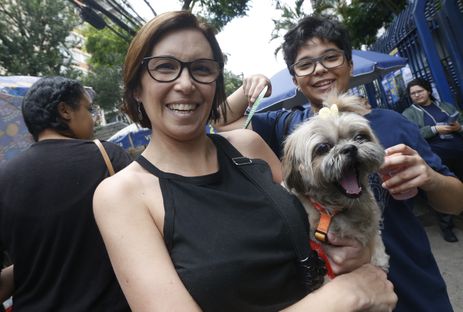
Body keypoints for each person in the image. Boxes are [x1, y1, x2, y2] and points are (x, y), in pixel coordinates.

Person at [92, 11, 397, 312]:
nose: (185, 84)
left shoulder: (248, 146)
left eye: (201, 68)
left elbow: (319, 216)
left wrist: (360, 253)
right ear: (135, 88)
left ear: (215, 83)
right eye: (165, 67)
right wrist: (341, 298)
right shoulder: (122, 196)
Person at [216, 15, 463, 312]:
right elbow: (220, 121)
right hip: (341, 297)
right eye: (305, 64)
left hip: (415, 289)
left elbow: (456, 202)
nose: (319, 69)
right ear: (295, 79)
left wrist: (430, 179)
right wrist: (248, 89)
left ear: (349, 63)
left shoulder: (393, 123)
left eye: (331, 57)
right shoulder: (289, 130)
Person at [0, 77, 131, 311]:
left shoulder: (3, 179)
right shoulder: (106, 157)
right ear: (64, 111)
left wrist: (31, 264)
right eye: (88, 109)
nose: (92, 119)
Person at [402, 77, 463, 242]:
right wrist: (434, 129)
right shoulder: (409, 113)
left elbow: (461, 122)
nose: (417, 95)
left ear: (428, 90)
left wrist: (458, 128)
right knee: (442, 191)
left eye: (419, 91)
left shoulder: (445, 106)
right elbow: (411, 135)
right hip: (436, 157)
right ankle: (447, 227)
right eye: (413, 93)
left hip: (458, 151)